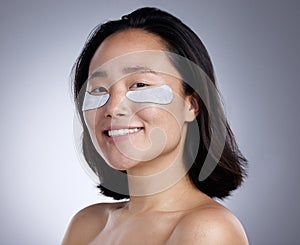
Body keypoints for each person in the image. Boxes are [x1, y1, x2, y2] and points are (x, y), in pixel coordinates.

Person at [62, 7, 249, 245]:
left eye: (139, 85)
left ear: (191, 105)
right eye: (99, 89)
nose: (113, 108)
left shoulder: (208, 230)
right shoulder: (87, 224)